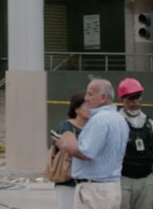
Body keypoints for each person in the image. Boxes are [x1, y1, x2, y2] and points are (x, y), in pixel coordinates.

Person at [54, 78, 129, 209]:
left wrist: (64, 146)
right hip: (112, 187)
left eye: (90, 94)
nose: (87, 98)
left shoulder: (99, 120)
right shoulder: (120, 119)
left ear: (103, 97)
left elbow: (86, 153)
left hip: (94, 190)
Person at [117, 78, 153, 209]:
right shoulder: (116, 123)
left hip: (146, 181)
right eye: (131, 98)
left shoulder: (150, 125)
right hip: (123, 180)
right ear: (123, 100)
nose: (135, 101)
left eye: (138, 97)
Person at [53, 91, 90, 209]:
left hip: (88, 182)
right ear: (76, 109)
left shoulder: (93, 126)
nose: (91, 109)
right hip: (68, 181)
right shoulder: (66, 127)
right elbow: (71, 148)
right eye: (87, 105)